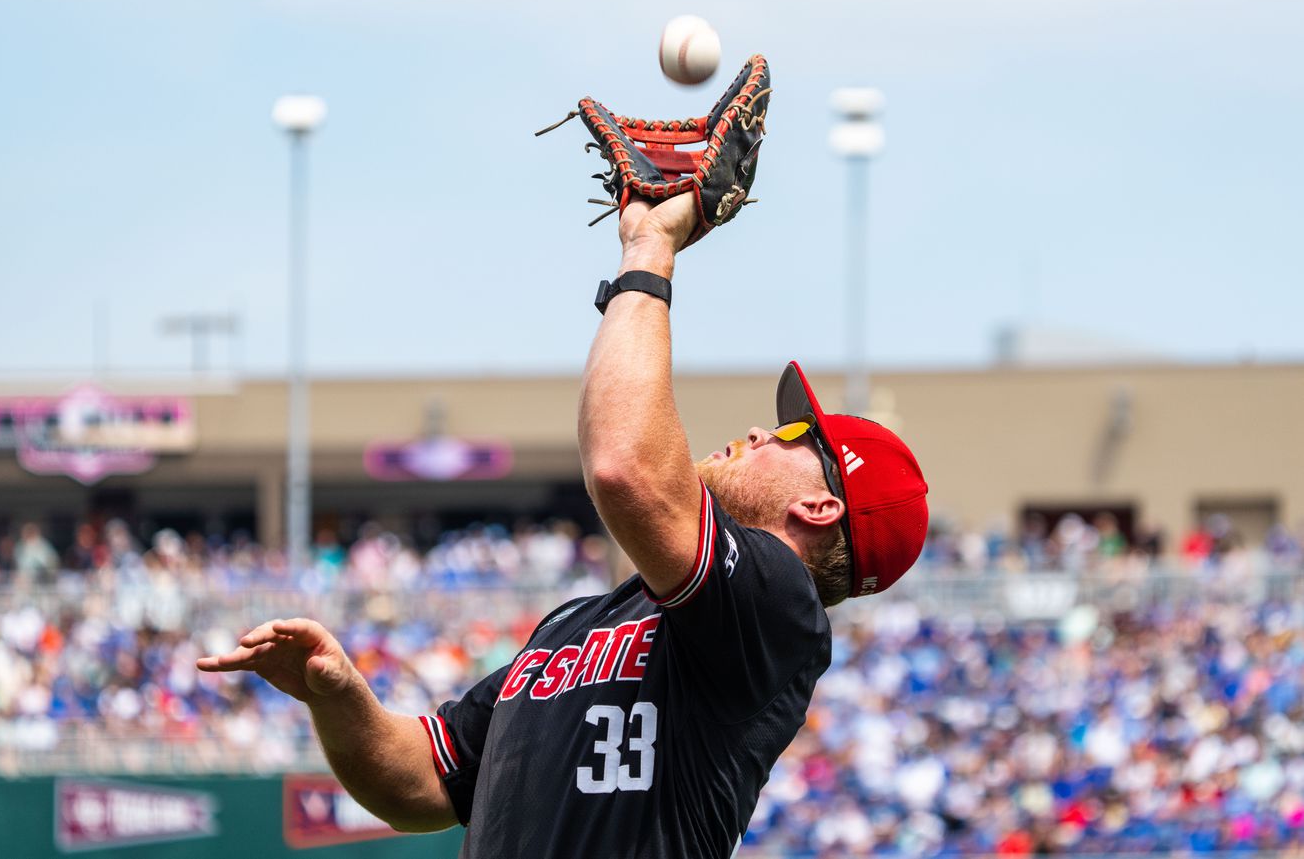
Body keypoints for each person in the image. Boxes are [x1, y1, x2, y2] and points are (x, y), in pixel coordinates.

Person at [197, 194, 929, 858]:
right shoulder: (578, 621)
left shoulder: (777, 607)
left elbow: (625, 467)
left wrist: (649, 249)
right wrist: (339, 697)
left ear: (822, 507)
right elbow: (420, 782)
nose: (757, 431)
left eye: (791, 431)